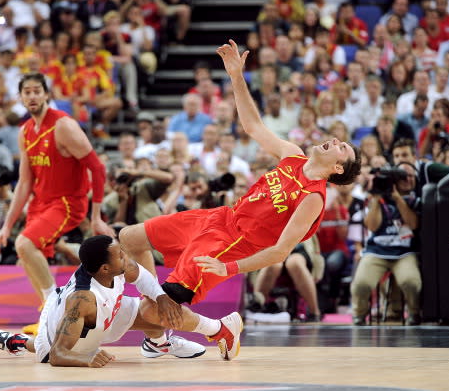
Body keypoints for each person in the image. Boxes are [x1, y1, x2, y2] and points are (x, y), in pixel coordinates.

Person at [118, 40, 362, 361]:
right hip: (219, 217)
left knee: (154, 311)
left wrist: (228, 267)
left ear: (338, 167)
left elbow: (279, 252)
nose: (336, 141)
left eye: (342, 146)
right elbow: (252, 126)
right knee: (129, 238)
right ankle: (159, 339)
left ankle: (218, 329)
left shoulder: (313, 198)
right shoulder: (294, 155)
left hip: (230, 245)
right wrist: (236, 75)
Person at [0, 73, 115, 336]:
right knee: (26, 253)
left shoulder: (64, 126)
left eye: (37, 90)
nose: (32, 96)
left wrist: (96, 216)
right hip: (41, 202)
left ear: (47, 94)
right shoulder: (25, 131)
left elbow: (98, 168)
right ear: (21, 97)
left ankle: (55, 308)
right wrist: (6, 226)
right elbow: (24, 183)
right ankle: (48, 315)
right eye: (27, 92)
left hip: (67, 202)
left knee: (24, 244)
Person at [0, 235, 205, 366]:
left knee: (152, 310)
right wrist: (85, 360)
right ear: (105, 268)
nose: (125, 256)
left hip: (98, 318)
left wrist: (161, 297)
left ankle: (159, 344)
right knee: (45, 352)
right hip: (55, 338)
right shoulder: (82, 298)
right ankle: (16, 342)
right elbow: (58, 355)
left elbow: (142, 277)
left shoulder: (117, 266)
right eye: (119, 255)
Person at [350, 162, 422, 326]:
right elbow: (372, 226)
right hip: (376, 251)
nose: (407, 179)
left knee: (411, 282)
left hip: (404, 253)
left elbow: (413, 224)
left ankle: (414, 314)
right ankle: (359, 315)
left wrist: (397, 199)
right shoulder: (378, 198)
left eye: (410, 175)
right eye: (403, 176)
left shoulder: (415, 199)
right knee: (361, 283)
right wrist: (376, 199)